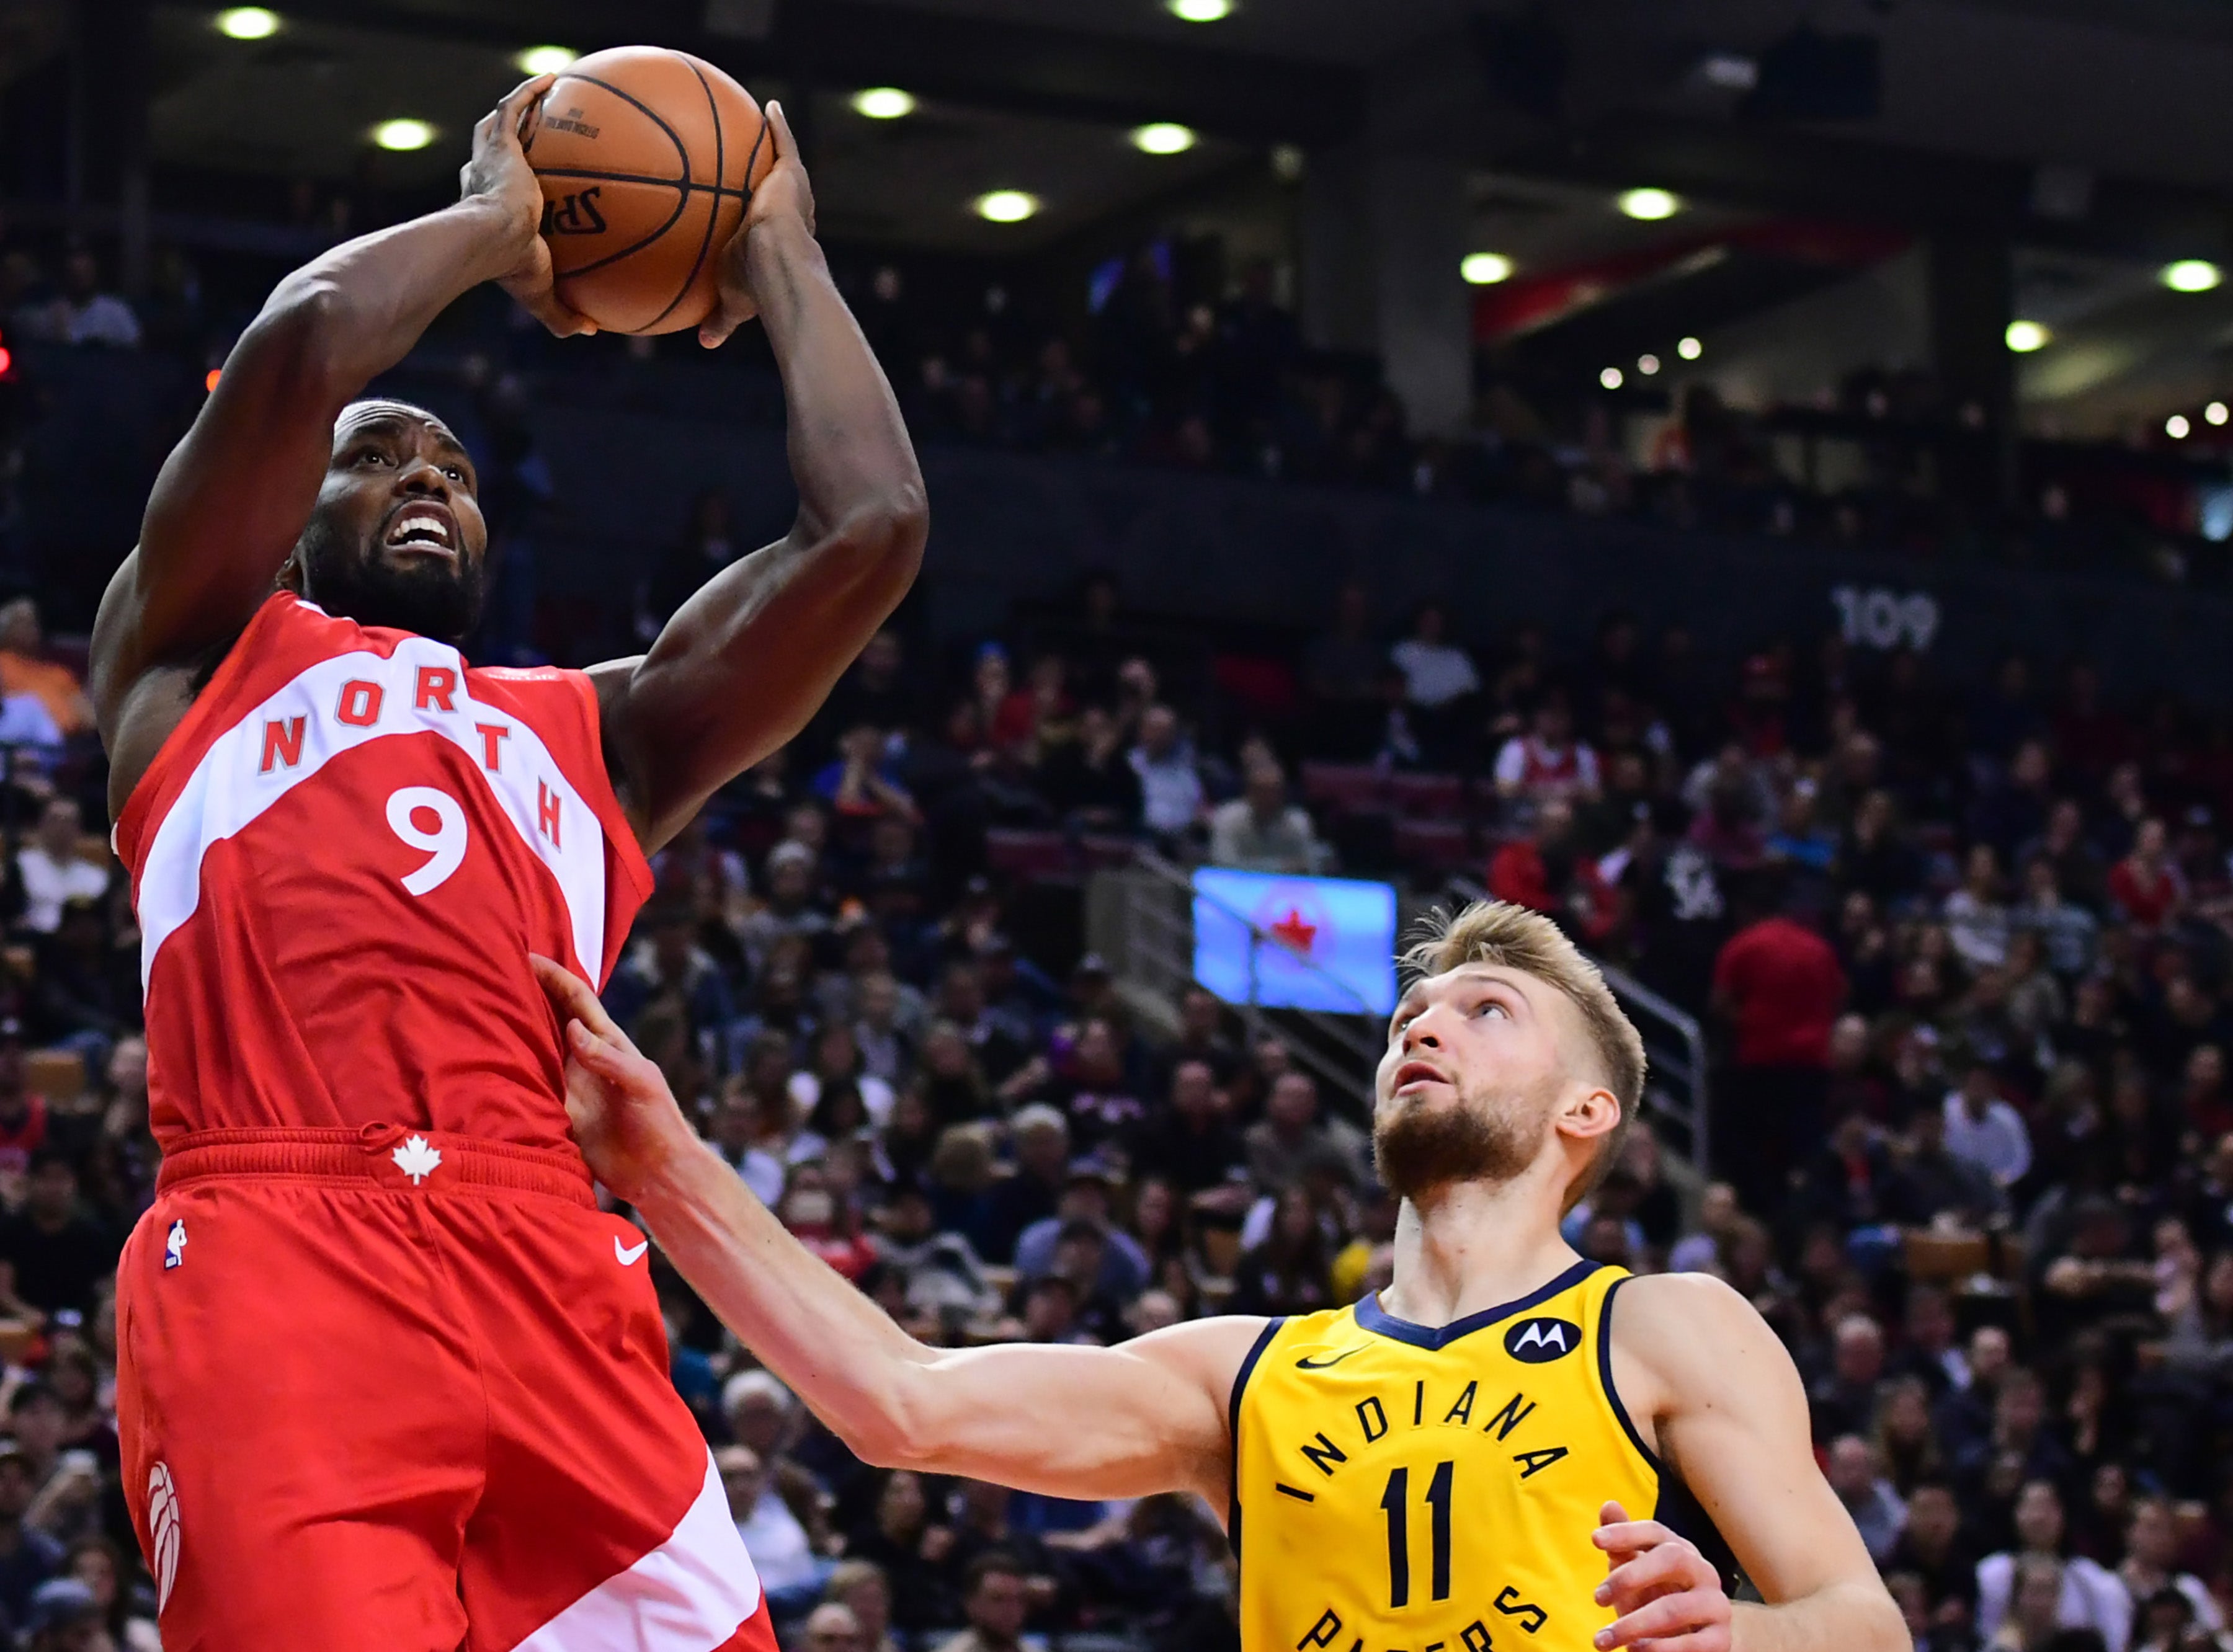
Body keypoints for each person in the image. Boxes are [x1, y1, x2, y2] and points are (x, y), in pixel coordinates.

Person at [86, 81, 925, 1650]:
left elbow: (870, 527)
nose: (426, 481)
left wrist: (784, 248)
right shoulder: (193, 654)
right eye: (380, 461)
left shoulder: (599, 732)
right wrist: (499, 225)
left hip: (552, 1268)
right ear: (279, 521)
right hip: (284, 1249)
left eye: (457, 473)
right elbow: (301, 343)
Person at [532, 897, 1906, 1652]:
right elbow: (908, 1402)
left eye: (1487, 1013)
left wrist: (1735, 1635)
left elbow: (1861, 1626)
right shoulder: (1248, 1371)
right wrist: (664, 1167)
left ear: (1584, 1114)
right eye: (1411, 1016)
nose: (1424, 1029)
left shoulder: (1664, 1324)